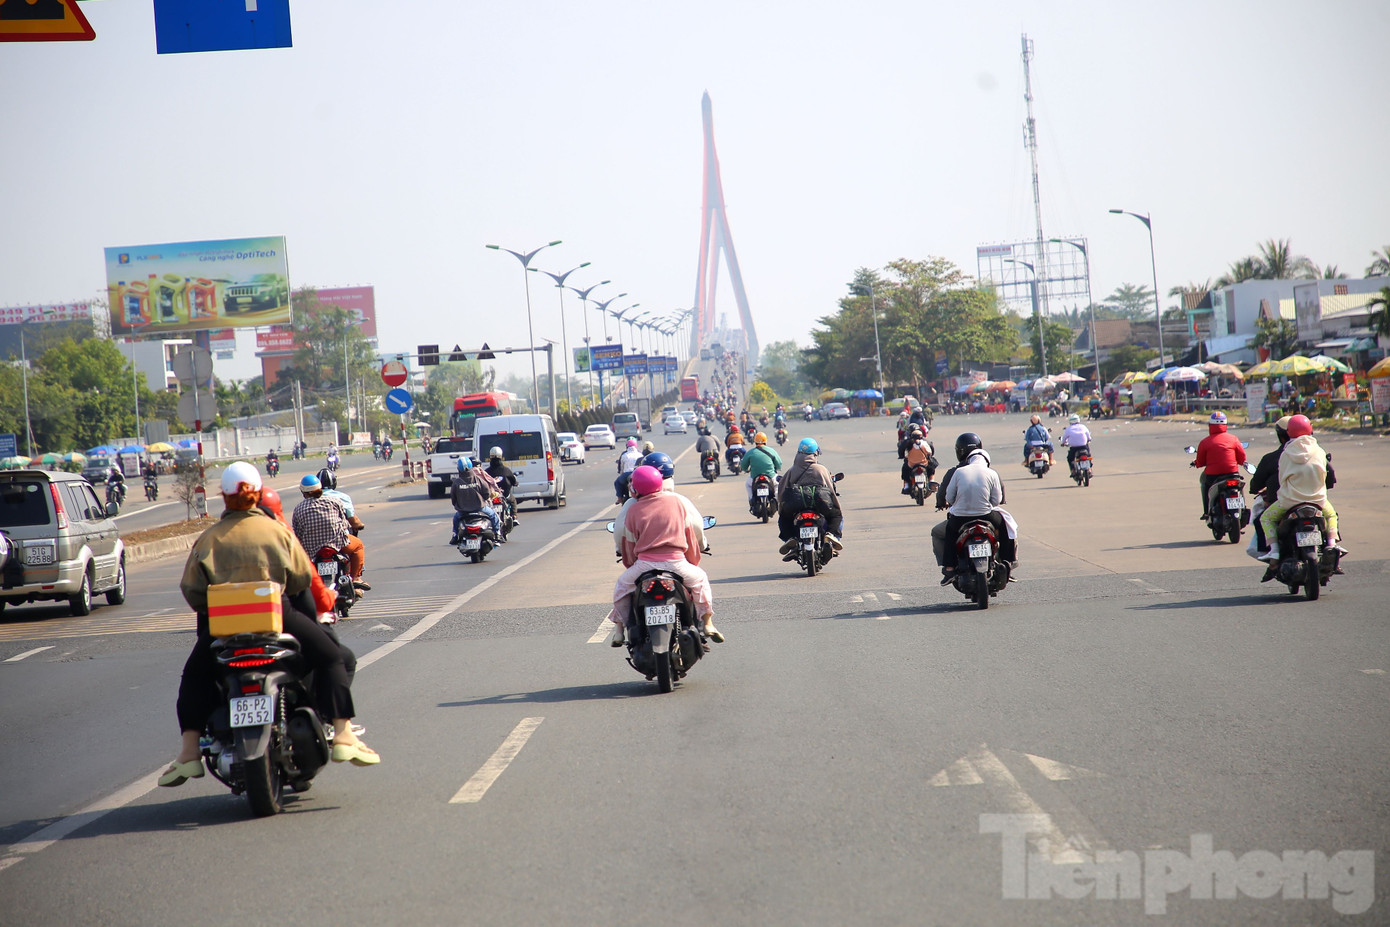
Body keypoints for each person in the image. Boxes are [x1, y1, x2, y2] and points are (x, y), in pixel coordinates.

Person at [159, 462, 376, 788]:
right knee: (333, 657)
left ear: (225, 497)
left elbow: (192, 592)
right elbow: (302, 578)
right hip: (276, 613)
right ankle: (344, 734)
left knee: (194, 674)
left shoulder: (209, 538)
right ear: (257, 494)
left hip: (224, 623)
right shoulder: (277, 532)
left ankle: (189, 753)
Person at [607, 465, 720, 646]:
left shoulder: (632, 510)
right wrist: (693, 561)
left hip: (644, 565)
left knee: (621, 588)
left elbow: (628, 545)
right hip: (676, 562)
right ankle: (707, 623)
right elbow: (690, 535)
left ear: (634, 487)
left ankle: (620, 630)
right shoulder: (677, 502)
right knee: (701, 581)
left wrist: (631, 566)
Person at [1257, 415, 1341, 574]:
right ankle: (1331, 544)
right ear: (1310, 429)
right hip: (1318, 501)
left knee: (1266, 518)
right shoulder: (1319, 451)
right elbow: (1324, 475)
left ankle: (1274, 551)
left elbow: (1282, 479)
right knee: (1331, 516)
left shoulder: (1287, 453)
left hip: (1290, 502)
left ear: (1289, 432)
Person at [939, 434, 1017, 584]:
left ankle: (949, 568)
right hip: (986, 515)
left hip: (960, 517)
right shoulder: (992, 473)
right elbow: (997, 500)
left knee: (950, 532)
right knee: (1005, 527)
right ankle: (1007, 562)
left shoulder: (959, 472)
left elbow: (949, 498)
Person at [292, 474, 367, 590]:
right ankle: (356, 578)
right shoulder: (334, 501)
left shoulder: (298, 508)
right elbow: (344, 523)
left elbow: (297, 534)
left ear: (303, 491)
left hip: (312, 550)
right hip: (338, 545)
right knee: (358, 546)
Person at [776, 437, 844, 558]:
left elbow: (781, 491)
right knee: (837, 515)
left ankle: (790, 538)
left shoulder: (792, 470)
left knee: (784, 518)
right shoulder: (821, 469)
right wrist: (836, 504)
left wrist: (781, 507)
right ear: (816, 453)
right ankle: (831, 535)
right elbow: (831, 490)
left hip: (795, 506)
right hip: (819, 503)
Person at [314, 469, 370, 590]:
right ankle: (355, 578)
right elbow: (352, 520)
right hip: (338, 541)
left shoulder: (308, 501)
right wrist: (359, 525)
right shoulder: (341, 498)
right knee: (358, 546)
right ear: (334, 483)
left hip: (313, 545)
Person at [1190, 411, 1247, 521]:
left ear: (1210, 426)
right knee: (1239, 485)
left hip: (1213, 475)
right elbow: (1242, 458)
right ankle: (1243, 508)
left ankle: (1207, 512)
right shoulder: (1234, 439)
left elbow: (1200, 462)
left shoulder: (1205, 442)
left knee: (1204, 481)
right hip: (1232, 472)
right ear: (1225, 425)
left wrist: (1196, 463)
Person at [450, 457, 503, 542]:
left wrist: (459, 506)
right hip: (480, 508)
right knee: (494, 516)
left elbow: (453, 499)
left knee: (456, 519)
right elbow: (486, 493)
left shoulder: (456, 482)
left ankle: (455, 536)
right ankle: (497, 534)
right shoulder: (478, 479)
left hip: (463, 511)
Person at [740, 431, 783, 506]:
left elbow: (743, 466)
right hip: (771, 476)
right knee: (777, 485)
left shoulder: (750, 452)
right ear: (765, 441)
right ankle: (776, 499)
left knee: (748, 484)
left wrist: (746, 470)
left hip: (755, 477)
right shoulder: (771, 450)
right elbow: (779, 463)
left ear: (755, 441)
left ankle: (751, 499)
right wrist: (777, 468)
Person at [484, 446, 519, 524]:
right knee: (513, 500)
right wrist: (515, 483)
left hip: (492, 496)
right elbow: (513, 481)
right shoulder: (506, 470)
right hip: (504, 495)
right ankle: (514, 517)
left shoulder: (486, 472)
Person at [899, 424, 936, 493]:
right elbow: (931, 451)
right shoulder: (925, 442)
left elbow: (901, 451)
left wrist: (901, 456)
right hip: (924, 463)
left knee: (905, 469)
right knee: (932, 465)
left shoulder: (907, 442)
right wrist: (929, 456)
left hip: (911, 464)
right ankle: (931, 481)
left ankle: (906, 485)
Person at [1059, 413, 1093, 477]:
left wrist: (1063, 443)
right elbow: (1088, 436)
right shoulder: (1083, 426)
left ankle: (1073, 471)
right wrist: (1089, 439)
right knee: (1088, 456)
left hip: (1074, 448)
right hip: (1084, 446)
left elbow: (1064, 438)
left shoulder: (1068, 429)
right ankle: (1089, 469)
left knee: (1070, 458)